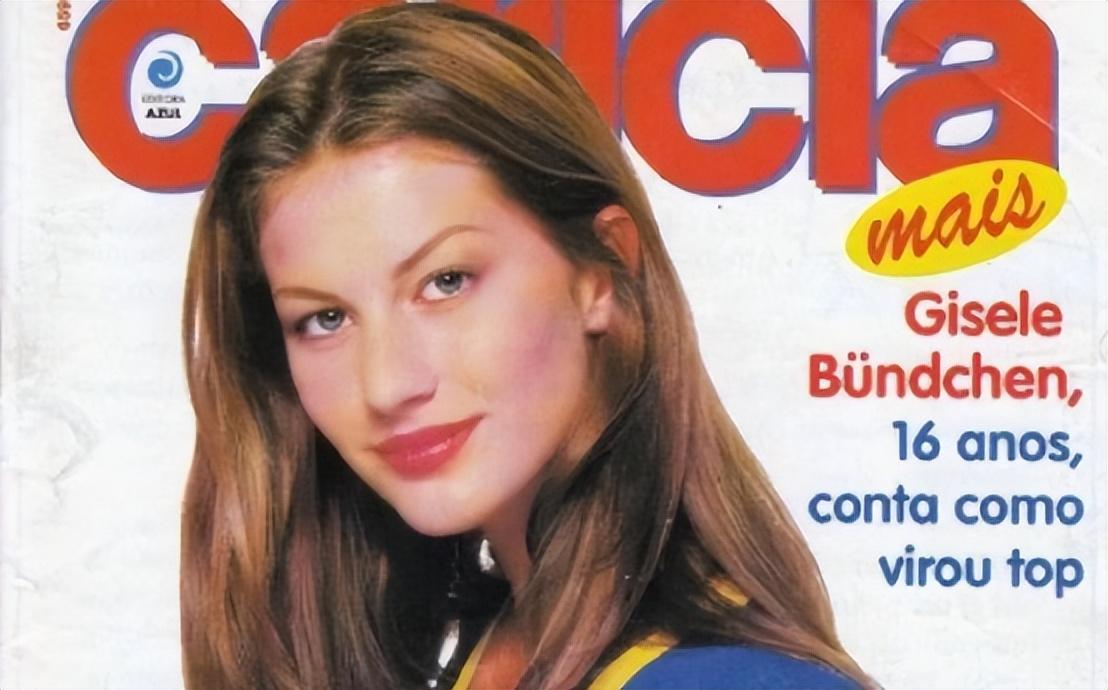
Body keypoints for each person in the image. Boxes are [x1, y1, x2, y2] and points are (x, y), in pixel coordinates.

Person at [180, 3, 875, 689]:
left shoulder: (732, 681)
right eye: (325, 319)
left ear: (601, 270)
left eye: (446, 282)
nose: (387, 384)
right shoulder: (496, 655)